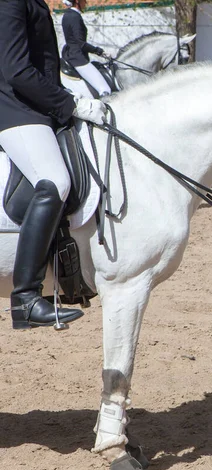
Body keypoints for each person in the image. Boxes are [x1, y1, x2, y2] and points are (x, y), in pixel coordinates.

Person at [0, 0, 107, 330]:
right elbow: (15, 70)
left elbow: (45, 67)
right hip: (15, 110)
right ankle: (27, 299)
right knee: (54, 180)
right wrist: (69, 103)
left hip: (37, 109)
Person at [61, 0, 112, 98]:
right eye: (84, 0)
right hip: (78, 58)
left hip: (70, 55)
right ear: (77, 1)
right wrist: (99, 51)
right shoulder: (74, 17)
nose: (86, 3)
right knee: (105, 90)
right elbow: (81, 44)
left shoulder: (67, 15)